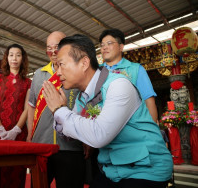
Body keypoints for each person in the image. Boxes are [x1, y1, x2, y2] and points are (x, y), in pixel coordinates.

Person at [43, 34, 173, 188]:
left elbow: (99, 135)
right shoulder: (81, 98)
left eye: (61, 64)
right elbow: (70, 135)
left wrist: (60, 110)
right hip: (112, 171)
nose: (57, 72)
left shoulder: (118, 85)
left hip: (146, 169)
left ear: (84, 63)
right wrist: (58, 111)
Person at [27, 31, 86, 188]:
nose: (53, 52)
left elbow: (87, 106)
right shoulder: (39, 75)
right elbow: (31, 106)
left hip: (70, 146)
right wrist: (30, 134)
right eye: (49, 48)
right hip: (41, 145)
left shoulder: (76, 72)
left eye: (57, 47)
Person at [0, 44, 31, 188]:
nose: (14, 58)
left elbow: (27, 109)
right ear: (7, 58)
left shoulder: (28, 82)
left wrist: (16, 130)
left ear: (22, 58)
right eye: (11, 55)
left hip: (17, 134)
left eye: (18, 55)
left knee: (15, 172)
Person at [99, 29, 158, 123]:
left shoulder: (136, 69)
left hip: (132, 129)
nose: (104, 47)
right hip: (102, 128)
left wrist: (152, 131)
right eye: (102, 45)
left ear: (121, 47)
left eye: (109, 43)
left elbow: (149, 101)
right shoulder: (96, 71)